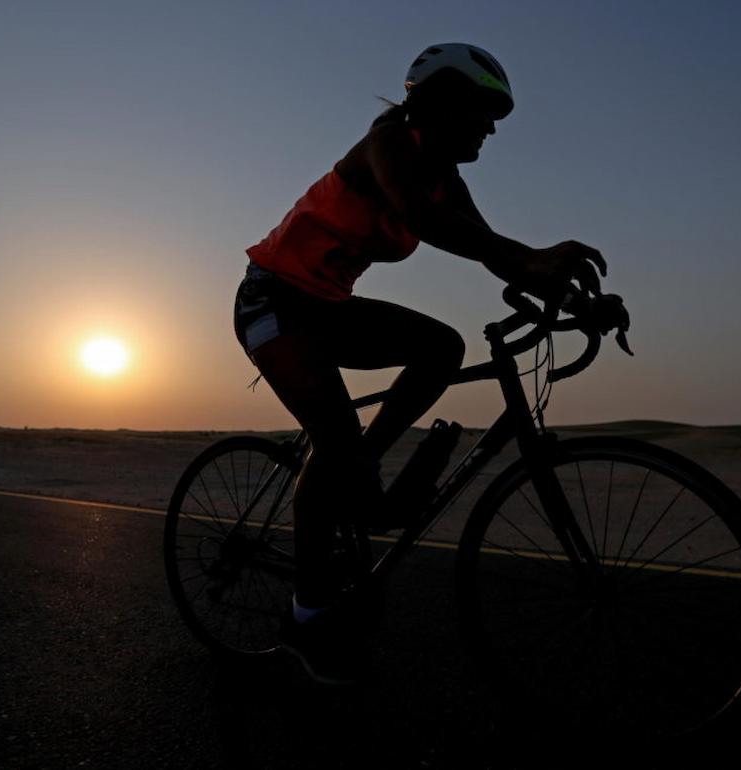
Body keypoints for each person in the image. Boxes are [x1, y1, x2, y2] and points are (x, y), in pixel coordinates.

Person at [233, 43, 606, 685]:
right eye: (481, 111)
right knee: (334, 438)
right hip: (272, 301)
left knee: (442, 346)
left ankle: (360, 473)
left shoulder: (446, 178)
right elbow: (420, 218)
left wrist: (577, 301)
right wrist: (534, 258)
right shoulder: (387, 146)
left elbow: (499, 254)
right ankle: (306, 614)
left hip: (326, 307)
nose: (490, 128)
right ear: (434, 103)